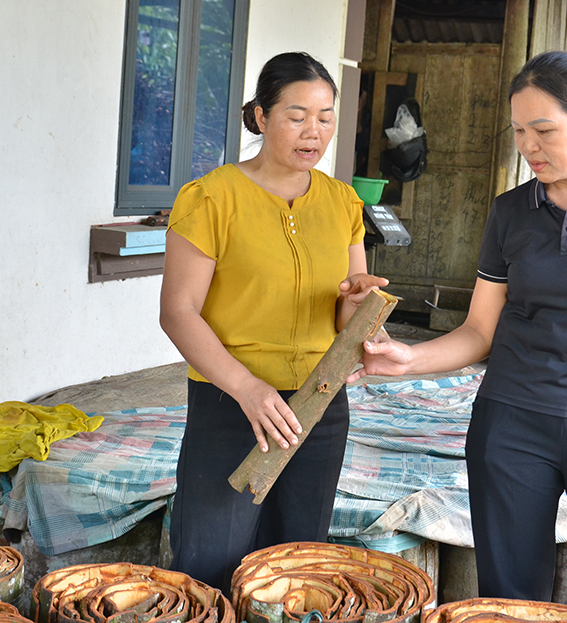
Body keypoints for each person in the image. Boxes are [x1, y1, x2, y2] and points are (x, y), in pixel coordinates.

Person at [348, 50, 567, 623]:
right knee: (510, 605)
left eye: (545, 130)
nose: (529, 146)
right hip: (511, 428)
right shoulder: (509, 213)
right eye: (520, 132)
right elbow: (480, 331)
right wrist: (407, 359)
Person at [160, 51, 387, 594]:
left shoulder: (342, 203)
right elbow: (177, 312)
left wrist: (360, 311)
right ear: (261, 117)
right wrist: (246, 388)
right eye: (297, 115)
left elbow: (344, 310)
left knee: (295, 566)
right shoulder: (212, 198)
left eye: (326, 116)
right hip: (231, 404)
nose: (315, 131)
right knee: (210, 562)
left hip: (319, 406)